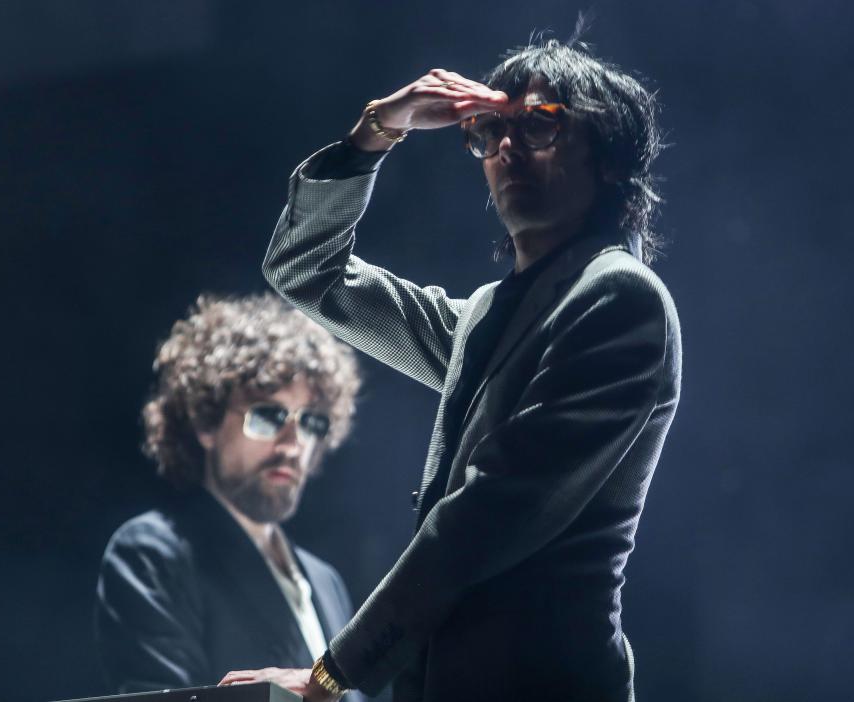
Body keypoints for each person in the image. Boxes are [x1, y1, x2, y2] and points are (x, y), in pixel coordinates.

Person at [222, 36, 682, 702]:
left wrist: (331, 677)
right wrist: (377, 128)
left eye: (539, 124)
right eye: (490, 130)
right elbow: (305, 270)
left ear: (607, 160)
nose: (504, 148)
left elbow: (481, 522)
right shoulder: (487, 319)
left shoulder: (618, 298)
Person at [95, 294, 367, 702]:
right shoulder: (152, 552)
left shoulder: (326, 581)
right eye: (268, 415)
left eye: (310, 423)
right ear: (206, 421)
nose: (294, 445)